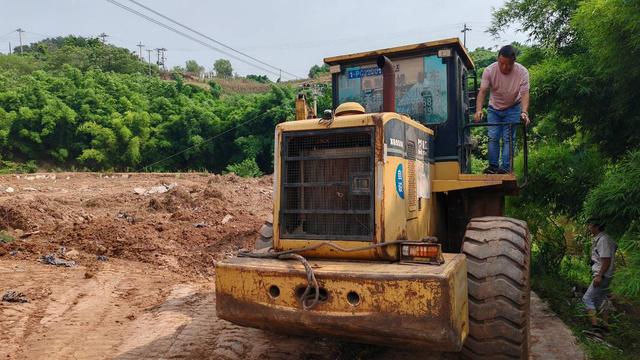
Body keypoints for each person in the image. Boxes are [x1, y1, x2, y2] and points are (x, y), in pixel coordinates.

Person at [474, 45, 530, 174]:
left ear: (514, 62)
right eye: (501, 63)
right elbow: (482, 92)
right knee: (493, 137)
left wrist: (524, 112)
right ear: (498, 59)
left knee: (508, 138)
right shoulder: (489, 70)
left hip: (513, 107)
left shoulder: (522, 72)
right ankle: (493, 167)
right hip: (494, 108)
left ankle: (506, 168)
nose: (504, 67)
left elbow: (525, 94)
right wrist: (478, 110)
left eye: (508, 64)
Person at [582, 218, 617, 333]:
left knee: (587, 298)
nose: (588, 227)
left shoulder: (603, 240)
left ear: (596, 227)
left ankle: (595, 328)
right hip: (607, 274)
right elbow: (614, 248)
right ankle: (605, 326)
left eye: (590, 225)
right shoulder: (605, 238)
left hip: (603, 275)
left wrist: (599, 275)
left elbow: (606, 259)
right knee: (602, 299)